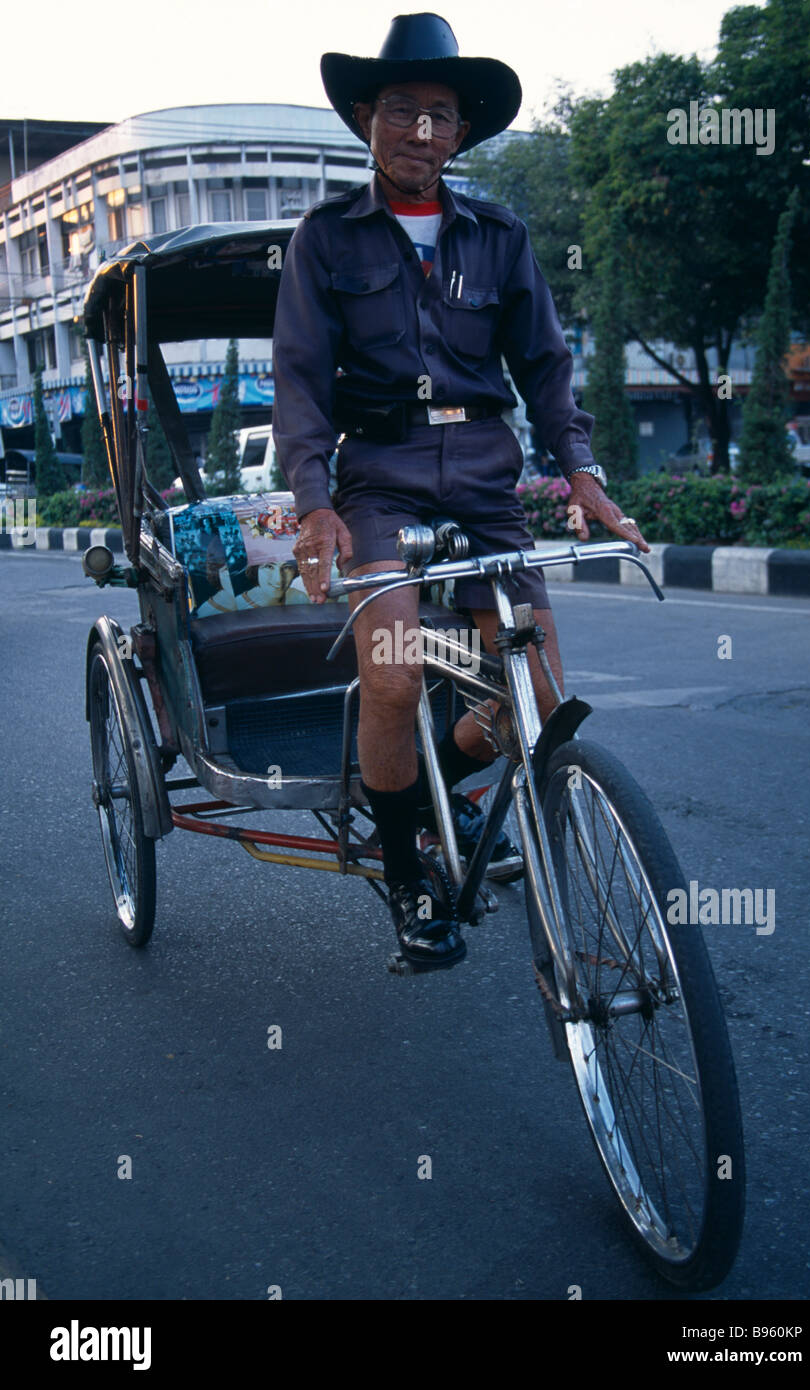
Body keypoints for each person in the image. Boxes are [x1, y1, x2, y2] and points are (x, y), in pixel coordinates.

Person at [272, 13, 649, 970]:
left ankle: (430, 777)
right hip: (382, 485)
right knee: (395, 671)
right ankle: (408, 877)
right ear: (368, 117)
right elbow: (302, 384)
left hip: (486, 478)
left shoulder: (503, 237)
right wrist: (313, 502)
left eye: (442, 116)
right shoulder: (323, 242)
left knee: (541, 693)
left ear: (462, 133)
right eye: (402, 111)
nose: (422, 134)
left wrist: (584, 472)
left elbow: (548, 368)